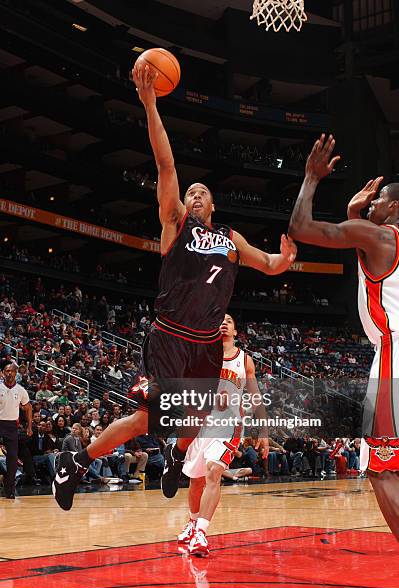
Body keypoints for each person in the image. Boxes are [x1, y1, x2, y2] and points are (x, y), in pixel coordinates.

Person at [52, 62, 296, 512]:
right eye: (191, 192)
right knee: (150, 417)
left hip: (204, 346)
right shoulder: (175, 224)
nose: (196, 195)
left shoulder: (231, 240)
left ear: (215, 203)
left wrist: (285, 260)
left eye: (203, 192)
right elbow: (165, 161)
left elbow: (269, 264)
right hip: (169, 337)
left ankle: (176, 456)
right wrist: (149, 105)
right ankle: (74, 461)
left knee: (196, 423)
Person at [288, 132, 399, 540]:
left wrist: (311, 178)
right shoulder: (378, 238)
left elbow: (300, 227)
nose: (373, 202)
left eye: (380, 200)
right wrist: (360, 218)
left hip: (394, 356)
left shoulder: (382, 237)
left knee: (383, 471)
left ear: (396, 209)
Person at [177, 314, 269, 557]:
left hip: (229, 425)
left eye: (229, 320)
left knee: (213, 472)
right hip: (200, 423)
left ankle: (200, 533)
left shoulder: (245, 360)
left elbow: (256, 396)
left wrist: (264, 431)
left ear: (236, 331)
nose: (223, 322)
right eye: (220, 319)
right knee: (195, 480)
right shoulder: (203, 355)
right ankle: (192, 522)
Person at [0, 363, 32, 498]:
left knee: (12, 459)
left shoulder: (21, 390)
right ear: (3, 372)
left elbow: (28, 407)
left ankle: (10, 491)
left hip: (12, 426)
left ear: (16, 373)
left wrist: (29, 426)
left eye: (12, 371)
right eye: (7, 371)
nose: (9, 373)